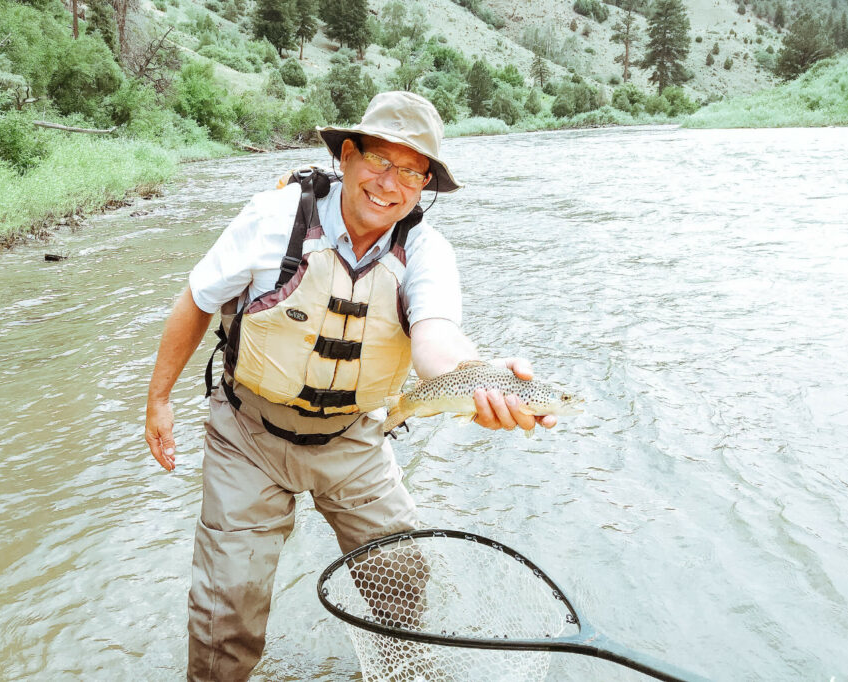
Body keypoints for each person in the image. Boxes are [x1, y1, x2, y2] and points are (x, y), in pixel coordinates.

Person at [144, 91, 558, 681]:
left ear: (425, 187)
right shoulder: (273, 219)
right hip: (248, 435)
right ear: (347, 154)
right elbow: (197, 300)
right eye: (381, 162)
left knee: (402, 574)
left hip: (355, 440)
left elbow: (438, 339)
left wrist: (480, 381)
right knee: (227, 608)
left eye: (413, 173)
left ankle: (397, 672)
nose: (392, 184)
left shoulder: (426, 250)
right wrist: (158, 401)